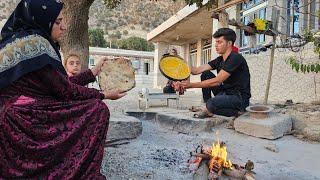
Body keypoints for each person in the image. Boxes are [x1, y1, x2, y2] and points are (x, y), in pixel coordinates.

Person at [0, 0, 125, 179]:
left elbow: (60, 83)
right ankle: (78, 172)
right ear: (43, 20)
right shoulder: (37, 45)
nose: (64, 27)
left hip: (14, 115)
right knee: (98, 110)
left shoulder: (22, 40)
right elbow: (65, 91)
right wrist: (103, 94)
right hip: (22, 118)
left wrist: (93, 72)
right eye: (58, 22)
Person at [174, 28, 251, 117]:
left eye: (220, 42)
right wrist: (179, 61)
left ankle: (238, 111)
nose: (216, 45)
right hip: (225, 92)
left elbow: (217, 81)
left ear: (229, 43)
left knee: (212, 103)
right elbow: (196, 71)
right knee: (206, 74)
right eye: (216, 42)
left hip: (239, 98)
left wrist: (191, 85)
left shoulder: (235, 58)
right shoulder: (220, 60)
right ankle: (208, 107)